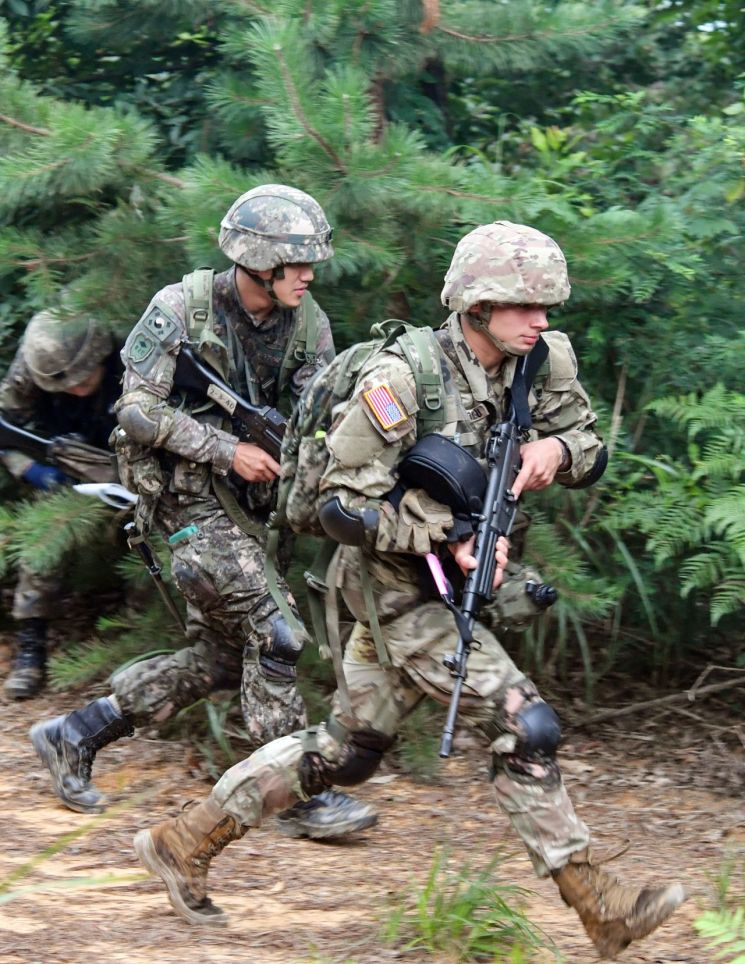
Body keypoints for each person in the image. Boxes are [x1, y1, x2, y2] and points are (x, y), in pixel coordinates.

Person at [130, 221, 685, 956]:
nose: (541, 320)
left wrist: (556, 448)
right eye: (523, 306)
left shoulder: (540, 363)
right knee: (526, 723)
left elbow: (588, 444)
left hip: (449, 586)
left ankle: (183, 839)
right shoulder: (400, 378)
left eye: (546, 307)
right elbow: (337, 505)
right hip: (389, 589)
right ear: (475, 307)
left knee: (348, 749)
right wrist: (443, 537)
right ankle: (596, 904)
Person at [30, 184, 376, 840]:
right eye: (296, 264)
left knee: (221, 660)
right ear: (257, 262)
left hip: (253, 510)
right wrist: (227, 449)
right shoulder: (181, 308)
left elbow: (318, 413)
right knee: (277, 636)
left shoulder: (307, 323)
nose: (308, 275)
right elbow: (135, 409)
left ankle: (72, 734)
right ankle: (293, 796)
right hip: (185, 502)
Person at [0, 309, 122, 700]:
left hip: (129, 461)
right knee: (44, 541)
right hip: (63, 463)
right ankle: (31, 645)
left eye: (84, 378)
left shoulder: (129, 352)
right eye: (65, 383)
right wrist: (33, 471)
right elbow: (5, 430)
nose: (75, 387)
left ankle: (130, 637)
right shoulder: (31, 368)